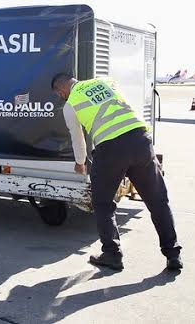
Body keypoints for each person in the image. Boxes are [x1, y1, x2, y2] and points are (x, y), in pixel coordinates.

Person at [51, 73, 182, 271]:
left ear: (61, 90)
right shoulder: (105, 80)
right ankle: (173, 254)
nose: (62, 97)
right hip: (141, 140)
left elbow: (77, 139)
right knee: (158, 201)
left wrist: (80, 163)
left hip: (111, 149)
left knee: (103, 203)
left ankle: (112, 254)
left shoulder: (70, 105)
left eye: (60, 94)